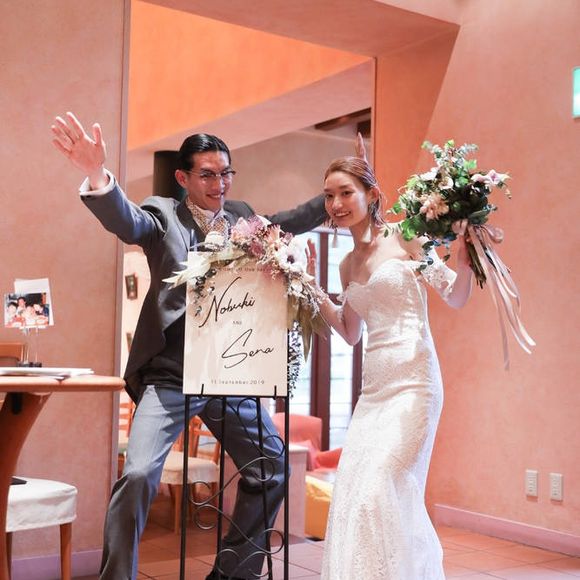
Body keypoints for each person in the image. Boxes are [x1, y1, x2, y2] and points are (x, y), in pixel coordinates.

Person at [51, 112, 328, 580]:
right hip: (171, 374)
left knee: (272, 466)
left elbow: (284, 222)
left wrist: (335, 196)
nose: (219, 183)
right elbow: (127, 221)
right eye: (207, 174)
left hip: (230, 374)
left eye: (226, 173)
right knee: (138, 474)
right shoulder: (163, 216)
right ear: (183, 178)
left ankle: (232, 573)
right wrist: (97, 174)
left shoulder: (241, 216)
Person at [306, 156, 473, 579]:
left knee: (381, 487)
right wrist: (311, 285)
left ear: (372, 195)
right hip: (374, 393)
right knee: (353, 493)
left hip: (415, 384)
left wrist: (465, 259)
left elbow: (454, 296)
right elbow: (350, 331)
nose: (336, 204)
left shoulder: (407, 238)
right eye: (329, 195)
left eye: (346, 193)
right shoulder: (346, 265)